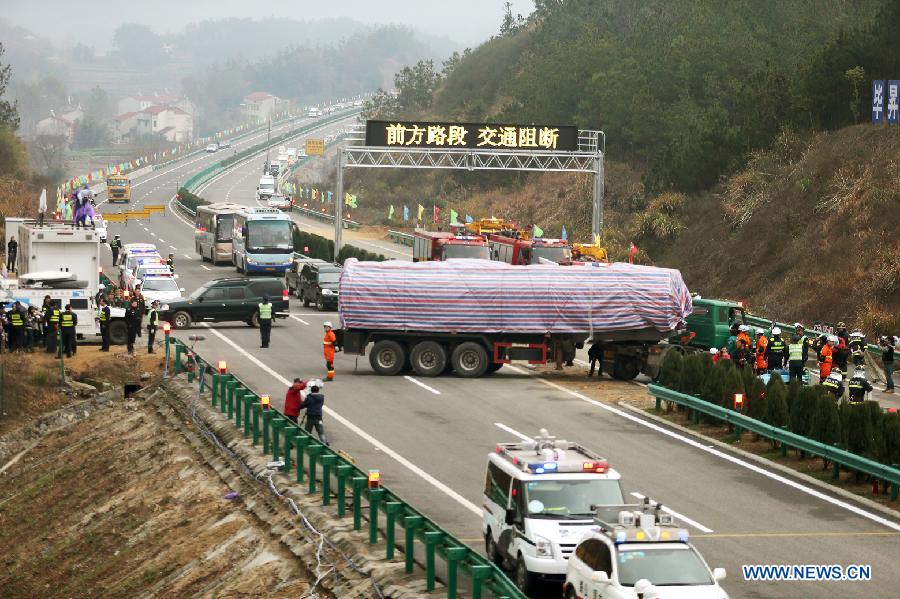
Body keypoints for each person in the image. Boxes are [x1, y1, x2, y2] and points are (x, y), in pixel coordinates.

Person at [299, 380, 328, 445]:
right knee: (321, 433)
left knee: (307, 432)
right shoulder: (321, 397)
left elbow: (304, 405)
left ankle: (306, 443)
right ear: (318, 390)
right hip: (319, 417)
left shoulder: (309, 397)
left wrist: (299, 406)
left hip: (310, 417)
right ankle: (324, 444)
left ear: (311, 390)